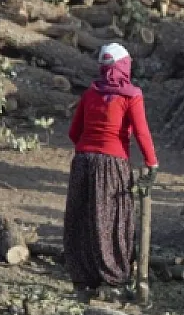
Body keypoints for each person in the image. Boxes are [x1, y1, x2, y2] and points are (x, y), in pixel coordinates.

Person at [63, 43, 158, 295]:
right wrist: (152, 162)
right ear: (123, 66)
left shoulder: (90, 93)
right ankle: (113, 277)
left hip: (83, 160)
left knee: (83, 217)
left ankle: (83, 277)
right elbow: (141, 132)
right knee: (111, 219)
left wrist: (89, 149)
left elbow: (74, 132)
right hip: (111, 164)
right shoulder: (131, 95)